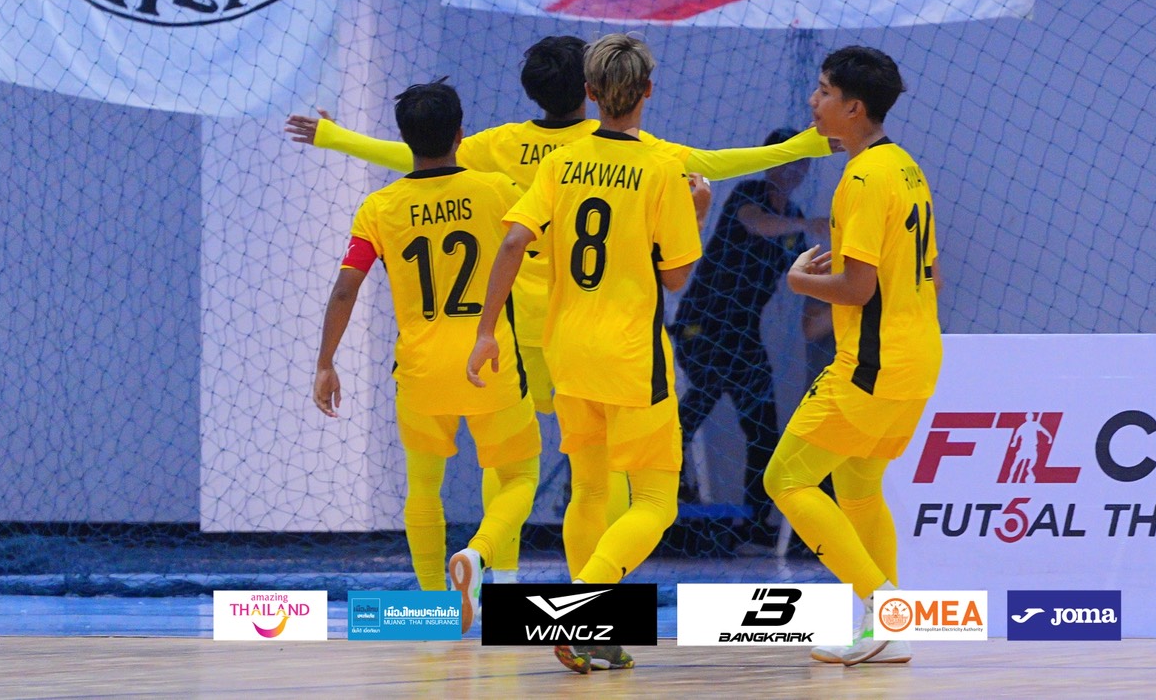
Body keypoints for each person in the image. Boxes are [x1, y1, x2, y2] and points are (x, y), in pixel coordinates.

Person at [287, 37, 831, 578]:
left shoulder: (504, 147)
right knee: (609, 478)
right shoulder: (645, 155)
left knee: (504, 466)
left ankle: (501, 580)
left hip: (526, 332)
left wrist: (338, 137)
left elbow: (417, 156)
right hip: (612, 339)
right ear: (596, 91)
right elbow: (723, 163)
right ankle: (596, 592)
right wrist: (806, 145)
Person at [468, 34, 710, 675]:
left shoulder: (561, 161)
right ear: (648, 91)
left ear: (591, 91)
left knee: (590, 488)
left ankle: (597, 635)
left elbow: (513, 242)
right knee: (656, 502)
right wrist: (697, 211)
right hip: (631, 355)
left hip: (567, 349)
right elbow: (677, 278)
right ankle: (579, 616)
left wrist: (487, 331)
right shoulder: (661, 168)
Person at [311, 80, 539, 634]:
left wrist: (325, 363)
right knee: (519, 476)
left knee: (422, 489)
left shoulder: (380, 206)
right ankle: (479, 554)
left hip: (419, 369)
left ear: (405, 139)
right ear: (461, 134)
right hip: (489, 359)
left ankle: (437, 609)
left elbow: (345, 290)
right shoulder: (498, 189)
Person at [766, 46, 944, 667]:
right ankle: (887, 630)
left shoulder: (864, 177)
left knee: (785, 479)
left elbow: (858, 288)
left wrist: (800, 282)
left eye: (822, 91)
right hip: (916, 357)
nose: (813, 101)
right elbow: (931, 276)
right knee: (860, 486)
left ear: (854, 107)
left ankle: (883, 606)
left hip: (870, 365)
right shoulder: (906, 167)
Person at [671, 130, 830, 545]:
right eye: (787, 162)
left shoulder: (793, 217)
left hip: (743, 333)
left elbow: (797, 270)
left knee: (764, 428)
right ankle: (662, 484)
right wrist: (805, 225)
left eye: (801, 164)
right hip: (704, 324)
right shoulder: (749, 196)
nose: (794, 171)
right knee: (706, 389)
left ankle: (757, 524)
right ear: (770, 163)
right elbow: (756, 225)